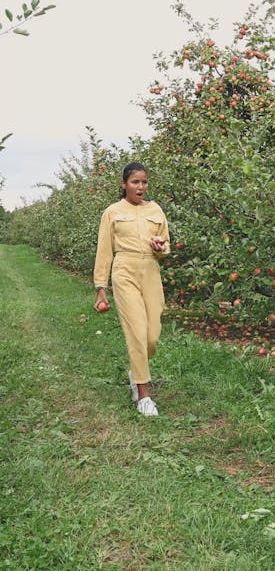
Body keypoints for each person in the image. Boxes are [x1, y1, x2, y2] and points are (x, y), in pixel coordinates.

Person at [93, 162, 170, 417]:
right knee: (136, 331)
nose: (141, 187)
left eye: (144, 182)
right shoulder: (112, 212)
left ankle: (136, 370)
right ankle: (144, 395)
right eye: (135, 182)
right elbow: (104, 250)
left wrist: (161, 247)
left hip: (150, 270)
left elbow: (165, 244)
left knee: (152, 337)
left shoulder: (156, 210)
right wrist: (101, 287)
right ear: (124, 184)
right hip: (124, 269)